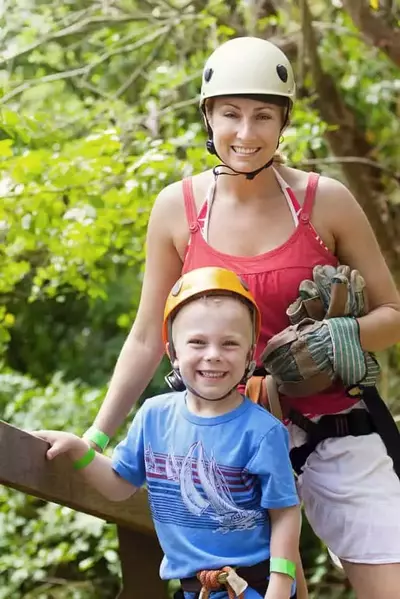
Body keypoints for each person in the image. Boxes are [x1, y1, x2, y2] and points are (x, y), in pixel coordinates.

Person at [81, 36, 400, 598]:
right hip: (224, 439)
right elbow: (144, 337)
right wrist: (97, 436)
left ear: (283, 123)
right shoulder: (177, 209)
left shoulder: (325, 202)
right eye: (230, 114)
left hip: (334, 425)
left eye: (263, 116)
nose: (246, 134)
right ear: (208, 116)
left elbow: (393, 314)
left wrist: (335, 336)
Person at [34, 267, 301, 599]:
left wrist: (279, 583)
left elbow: (286, 511)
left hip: (253, 587)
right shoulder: (154, 416)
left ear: (250, 355)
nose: (213, 354)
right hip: (192, 589)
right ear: (173, 353)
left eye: (230, 343)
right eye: (197, 342)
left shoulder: (263, 432)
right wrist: (79, 450)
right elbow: (119, 485)